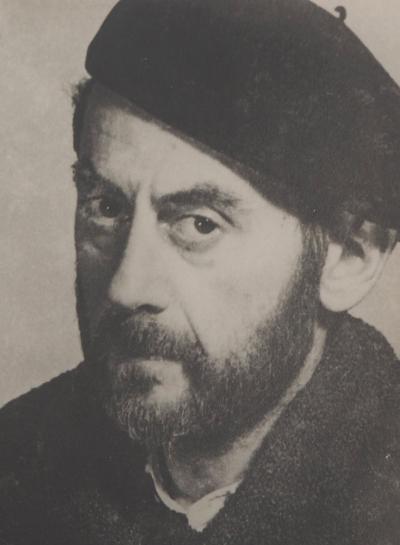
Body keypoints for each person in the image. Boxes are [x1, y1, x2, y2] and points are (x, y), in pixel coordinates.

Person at [1, 1, 400, 543]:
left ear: (351, 258)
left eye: (200, 224)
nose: (126, 287)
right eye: (106, 208)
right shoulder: (17, 461)